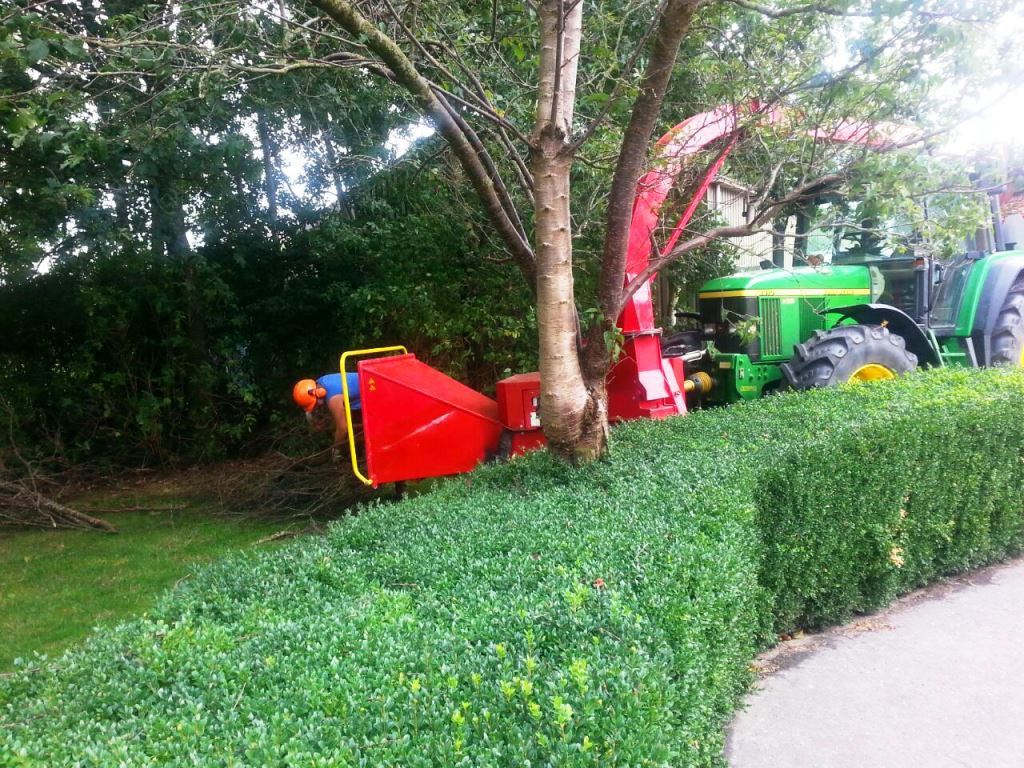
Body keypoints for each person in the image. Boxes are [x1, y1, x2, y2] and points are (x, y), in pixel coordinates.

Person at [292, 372, 361, 456]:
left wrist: (336, 448)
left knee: (344, 430)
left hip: (372, 390)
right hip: (363, 388)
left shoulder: (333, 398)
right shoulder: (321, 382)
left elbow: (343, 429)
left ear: (319, 393)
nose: (317, 406)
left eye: (315, 404)